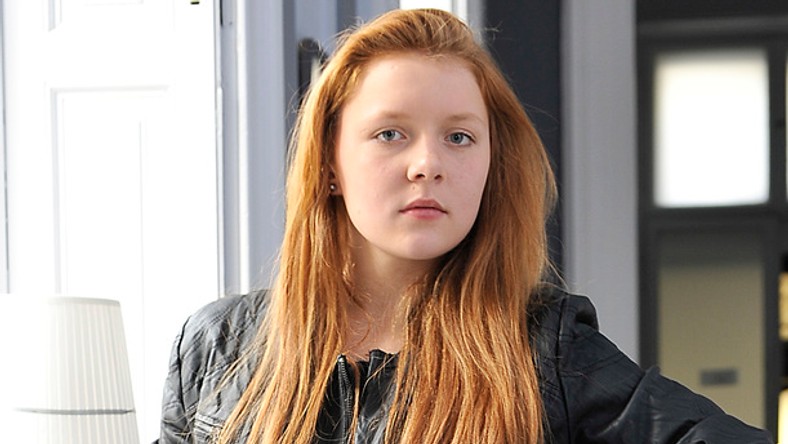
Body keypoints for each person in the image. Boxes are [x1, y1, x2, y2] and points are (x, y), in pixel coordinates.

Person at [157, 8, 773, 444]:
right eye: (390, 133)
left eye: (459, 137)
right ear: (329, 165)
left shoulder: (547, 348)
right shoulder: (215, 348)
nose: (427, 164)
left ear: (488, 165)